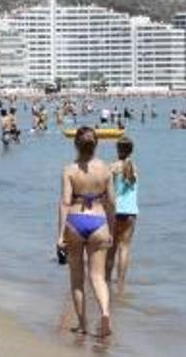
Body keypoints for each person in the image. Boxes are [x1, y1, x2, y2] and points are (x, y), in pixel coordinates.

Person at [56, 127, 114, 338]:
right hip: (99, 220)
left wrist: (60, 235)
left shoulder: (69, 170)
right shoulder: (106, 169)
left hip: (75, 220)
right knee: (98, 277)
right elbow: (112, 202)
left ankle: (82, 325)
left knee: (77, 278)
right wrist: (112, 229)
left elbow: (64, 202)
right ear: (96, 144)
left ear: (76, 144)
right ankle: (105, 313)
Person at [108, 137, 138, 296]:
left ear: (118, 150)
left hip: (115, 210)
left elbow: (108, 189)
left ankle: (106, 280)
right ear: (131, 150)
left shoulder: (112, 166)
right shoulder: (134, 167)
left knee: (112, 247)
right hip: (131, 211)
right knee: (124, 248)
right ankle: (121, 285)